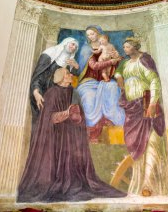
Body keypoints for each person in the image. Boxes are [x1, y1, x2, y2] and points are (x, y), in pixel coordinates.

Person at [17, 68, 126, 202]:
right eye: (68, 74)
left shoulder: (74, 92)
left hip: (71, 136)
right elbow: (50, 119)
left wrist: (77, 116)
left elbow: (79, 116)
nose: (71, 75)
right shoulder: (51, 93)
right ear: (62, 77)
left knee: (75, 177)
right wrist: (67, 113)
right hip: (56, 138)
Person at [115, 38, 167, 196]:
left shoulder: (144, 59)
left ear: (135, 46)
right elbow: (118, 73)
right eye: (123, 46)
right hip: (132, 105)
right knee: (137, 141)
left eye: (128, 46)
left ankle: (149, 184)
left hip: (145, 100)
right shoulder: (125, 62)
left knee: (150, 141)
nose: (125, 49)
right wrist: (119, 78)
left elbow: (154, 81)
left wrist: (152, 103)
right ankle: (139, 183)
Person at [77, 26, 125, 142]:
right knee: (89, 97)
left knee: (113, 87)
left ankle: (112, 120)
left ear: (99, 35)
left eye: (92, 34)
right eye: (88, 35)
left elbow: (115, 65)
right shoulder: (87, 50)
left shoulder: (109, 47)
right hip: (89, 82)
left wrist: (115, 59)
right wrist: (110, 61)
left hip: (104, 80)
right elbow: (93, 66)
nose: (90, 36)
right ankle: (91, 130)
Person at [30, 37, 79, 125]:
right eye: (72, 44)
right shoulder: (49, 54)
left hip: (59, 98)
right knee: (44, 121)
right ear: (65, 42)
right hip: (44, 93)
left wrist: (76, 67)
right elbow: (38, 76)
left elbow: (71, 80)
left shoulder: (70, 63)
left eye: (76, 47)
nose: (74, 47)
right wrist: (36, 92)